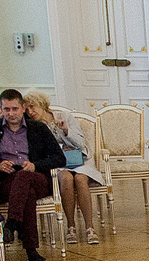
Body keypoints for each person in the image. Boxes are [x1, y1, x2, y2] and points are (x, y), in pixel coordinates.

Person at [0, 90, 63, 261]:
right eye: (6, 109)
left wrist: (35, 165)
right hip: (7, 178)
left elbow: (59, 158)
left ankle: (12, 223)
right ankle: (31, 251)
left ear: (23, 108)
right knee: (27, 194)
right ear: (0, 108)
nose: (11, 113)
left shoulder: (38, 128)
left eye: (15, 109)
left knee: (25, 179)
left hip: (36, 175)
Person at [32, 93, 101, 246]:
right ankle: (71, 227)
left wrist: (65, 130)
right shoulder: (33, 125)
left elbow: (80, 143)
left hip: (78, 159)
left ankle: (89, 228)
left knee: (81, 179)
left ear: (42, 104)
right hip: (57, 164)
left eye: (33, 106)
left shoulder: (64, 116)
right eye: (27, 108)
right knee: (66, 178)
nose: (30, 111)